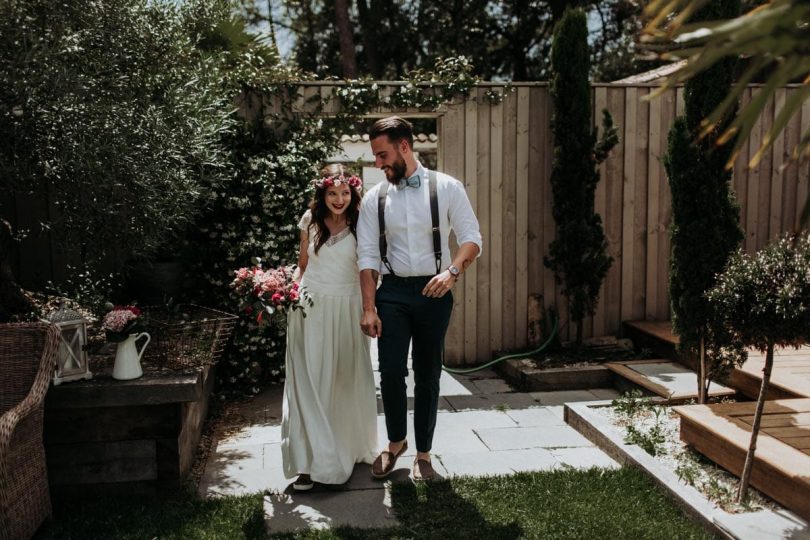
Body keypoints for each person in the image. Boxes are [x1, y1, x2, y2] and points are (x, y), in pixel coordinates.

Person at [357, 116, 482, 481]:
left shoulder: (446, 186)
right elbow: (366, 256)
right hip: (392, 292)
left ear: (404, 147)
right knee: (392, 371)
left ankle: (424, 453)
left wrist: (452, 272)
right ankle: (396, 442)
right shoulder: (373, 198)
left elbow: (473, 237)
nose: (378, 163)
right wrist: (369, 308)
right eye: (376, 157)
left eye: (382, 155)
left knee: (428, 373)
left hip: (434, 290)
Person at [281, 164, 378, 491]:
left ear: (353, 193)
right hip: (309, 309)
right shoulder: (309, 221)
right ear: (322, 194)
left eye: (345, 193)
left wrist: (370, 309)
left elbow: (369, 269)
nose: (339, 199)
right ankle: (309, 463)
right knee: (310, 382)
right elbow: (302, 265)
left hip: (347, 309)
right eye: (332, 193)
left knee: (342, 380)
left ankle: (345, 449)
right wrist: (285, 290)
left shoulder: (362, 223)